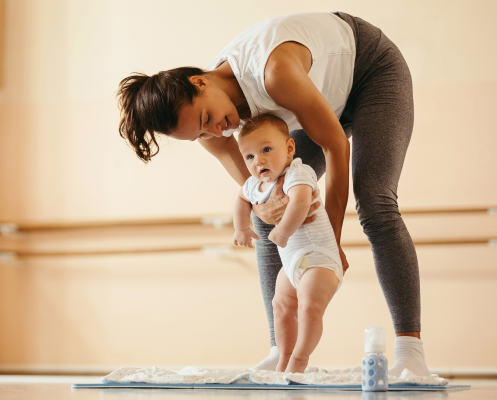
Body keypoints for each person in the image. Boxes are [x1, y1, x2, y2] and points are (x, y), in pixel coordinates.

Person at [116, 11, 431, 376]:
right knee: (266, 212)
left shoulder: (274, 73)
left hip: (371, 72)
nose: (215, 133)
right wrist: (268, 211)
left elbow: (335, 145)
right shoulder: (212, 134)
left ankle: (411, 352)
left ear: (200, 82)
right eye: (200, 135)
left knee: (374, 202)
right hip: (320, 100)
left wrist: (329, 246)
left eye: (206, 120)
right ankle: (278, 349)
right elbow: (258, 195)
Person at [233, 113, 343, 373]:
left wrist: (282, 231)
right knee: (280, 306)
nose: (258, 160)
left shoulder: (298, 172)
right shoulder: (255, 185)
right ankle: (283, 358)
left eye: (266, 150)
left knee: (309, 306)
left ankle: (300, 360)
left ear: (289, 148)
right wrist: (242, 227)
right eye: (249, 156)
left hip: (319, 259)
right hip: (293, 264)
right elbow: (240, 198)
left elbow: (301, 202)